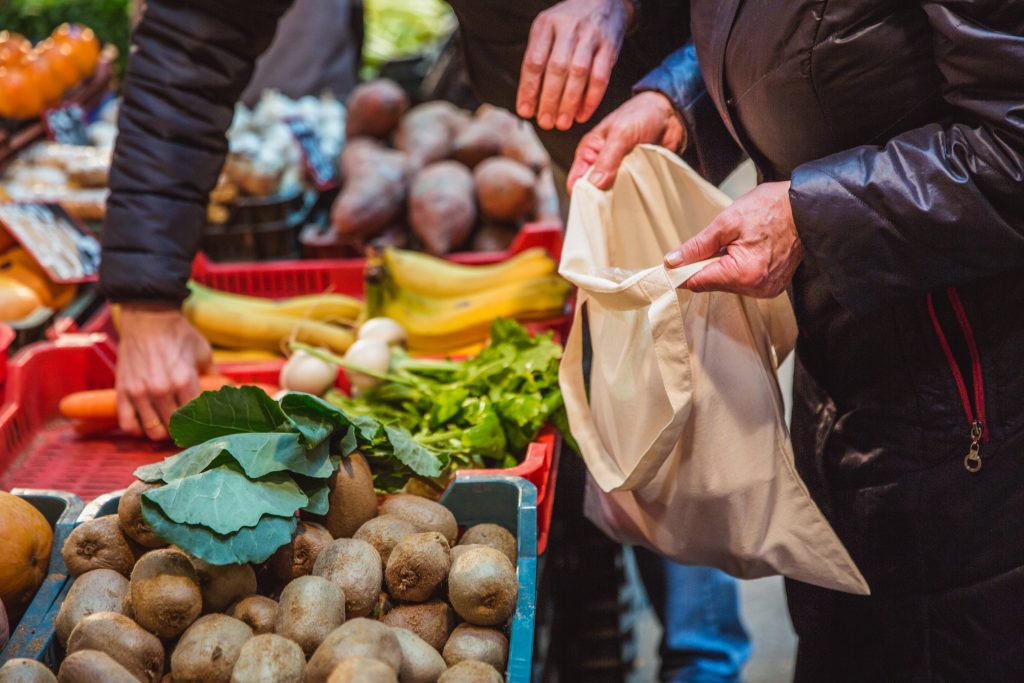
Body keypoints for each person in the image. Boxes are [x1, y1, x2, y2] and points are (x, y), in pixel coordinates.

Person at [565, 2, 1024, 680]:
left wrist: (811, 214)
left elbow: (1011, 142)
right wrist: (680, 101)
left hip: (971, 410)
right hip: (839, 368)